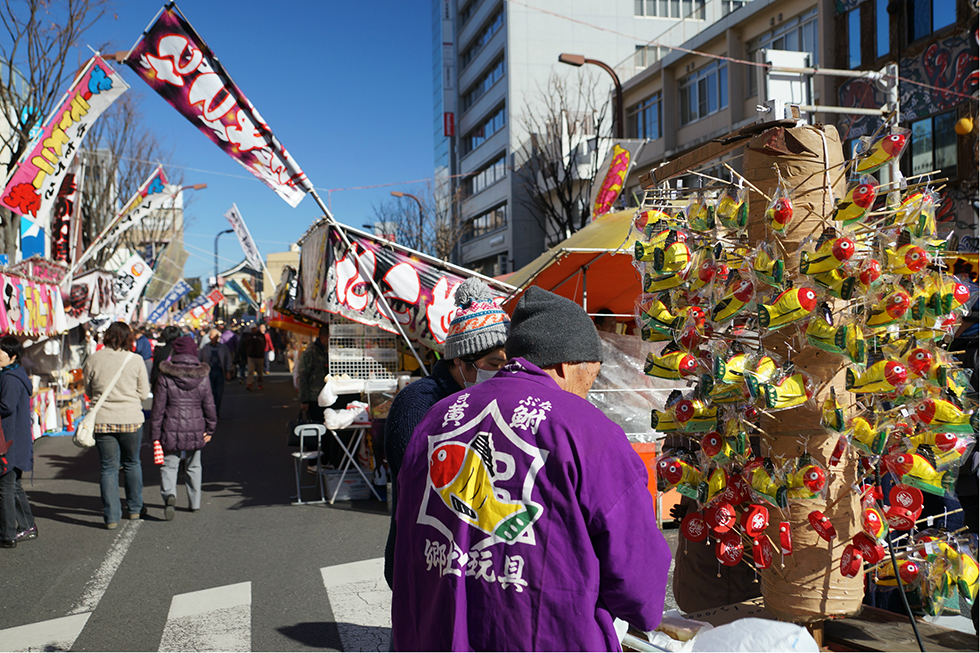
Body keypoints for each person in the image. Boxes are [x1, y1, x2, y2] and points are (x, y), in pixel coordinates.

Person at [390, 287, 671, 650]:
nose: (588, 389)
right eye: (592, 376)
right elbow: (636, 572)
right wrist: (638, 614)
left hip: (436, 631)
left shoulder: (437, 418)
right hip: (544, 635)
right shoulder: (587, 429)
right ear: (566, 364)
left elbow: (406, 531)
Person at [383, 277, 510, 589]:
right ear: (460, 362)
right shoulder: (418, 403)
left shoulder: (499, 398)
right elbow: (419, 479)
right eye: (494, 363)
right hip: (422, 556)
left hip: (475, 560)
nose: (502, 372)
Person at [83, 322, 149, 529]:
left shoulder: (94, 359)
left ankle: (111, 516)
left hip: (103, 419)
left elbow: (88, 390)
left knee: (108, 468)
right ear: (128, 338)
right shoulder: (136, 359)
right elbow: (143, 393)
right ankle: (135, 508)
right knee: (132, 463)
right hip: (130, 418)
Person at [150, 336, 217, 519]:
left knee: (169, 465)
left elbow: (158, 407)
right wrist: (210, 428)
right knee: (194, 466)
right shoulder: (202, 375)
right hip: (196, 426)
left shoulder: (166, 375)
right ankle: (194, 503)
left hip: (170, 425)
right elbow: (209, 404)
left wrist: (155, 434)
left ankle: (170, 494)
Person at [296, 325, 359, 467]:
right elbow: (303, 377)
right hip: (314, 398)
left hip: (329, 398)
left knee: (328, 432)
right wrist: (304, 400)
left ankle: (326, 461)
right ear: (323, 337)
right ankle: (313, 462)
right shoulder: (311, 352)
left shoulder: (329, 352)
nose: (333, 341)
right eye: (331, 338)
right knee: (315, 430)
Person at [0, 337, 37, 547]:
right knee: (13, 486)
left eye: (1, 353)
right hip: (18, 439)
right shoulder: (15, 375)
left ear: (12, 356)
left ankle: (8, 534)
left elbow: (6, 407)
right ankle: (27, 525)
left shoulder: (9, 378)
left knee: (6, 487)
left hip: (10, 440)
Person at [199, 329, 232, 415]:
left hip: (220, 372)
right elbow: (200, 360)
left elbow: (228, 359)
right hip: (208, 373)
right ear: (210, 337)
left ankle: (216, 411)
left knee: (219, 393)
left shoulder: (223, 347)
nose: (215, 338)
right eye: (213, 336)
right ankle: (211, 412)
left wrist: (228, 371)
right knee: (210, 393)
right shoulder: (205, 348)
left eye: (216, 336)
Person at [242, 325, 266, 390]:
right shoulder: (249, 336)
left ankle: (259, 383)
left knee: (260, 371)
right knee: (250, 370)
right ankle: (249, 383)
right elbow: (246, 344)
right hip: (251, 355)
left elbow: (264, 344)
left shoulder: (261, 335)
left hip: (259, 355)